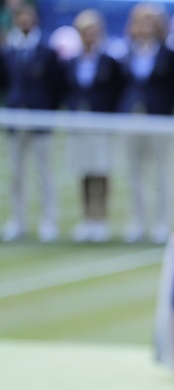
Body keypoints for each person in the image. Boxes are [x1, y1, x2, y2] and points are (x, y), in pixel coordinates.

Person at [118, 3, 174, 244]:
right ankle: (138, 221)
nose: (146, 27)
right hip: (132, 117)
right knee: (135, 172)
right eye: (141, 21)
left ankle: (162, 222)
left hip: (159, 117)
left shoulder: (169, 52)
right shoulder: (126, 50)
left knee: (161, 172)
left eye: (150, 21)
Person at [0, 4, 64, 242]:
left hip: (41, 118)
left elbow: (56, 85)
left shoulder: (46, 51)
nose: (25, 20)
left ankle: (49, 220)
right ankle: (18, 220)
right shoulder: (8, 51)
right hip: (15, 118)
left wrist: (47, 110)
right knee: (16, 175)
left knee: (45, 173)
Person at [64, 9, 123, 243]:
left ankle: (101, 219)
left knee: (102, 170)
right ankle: (88, 219)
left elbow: (118, 89)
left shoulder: (109, 61)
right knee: (85, 172)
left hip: (102, 120)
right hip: (80, 121)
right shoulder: (72, 61)